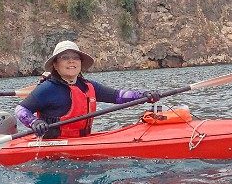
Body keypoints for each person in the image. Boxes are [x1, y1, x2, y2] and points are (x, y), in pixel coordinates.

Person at [14, 40, 156, 139]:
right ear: (55, 65)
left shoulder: (89, 86)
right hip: (52, 151)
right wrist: (34, 122)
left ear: (81, 63)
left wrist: (143, 95)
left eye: (75, 57)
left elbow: (117, 95)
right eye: (65, 57)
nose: (71, 61)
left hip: (82, 142)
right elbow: (21, 109)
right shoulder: (47, 88)